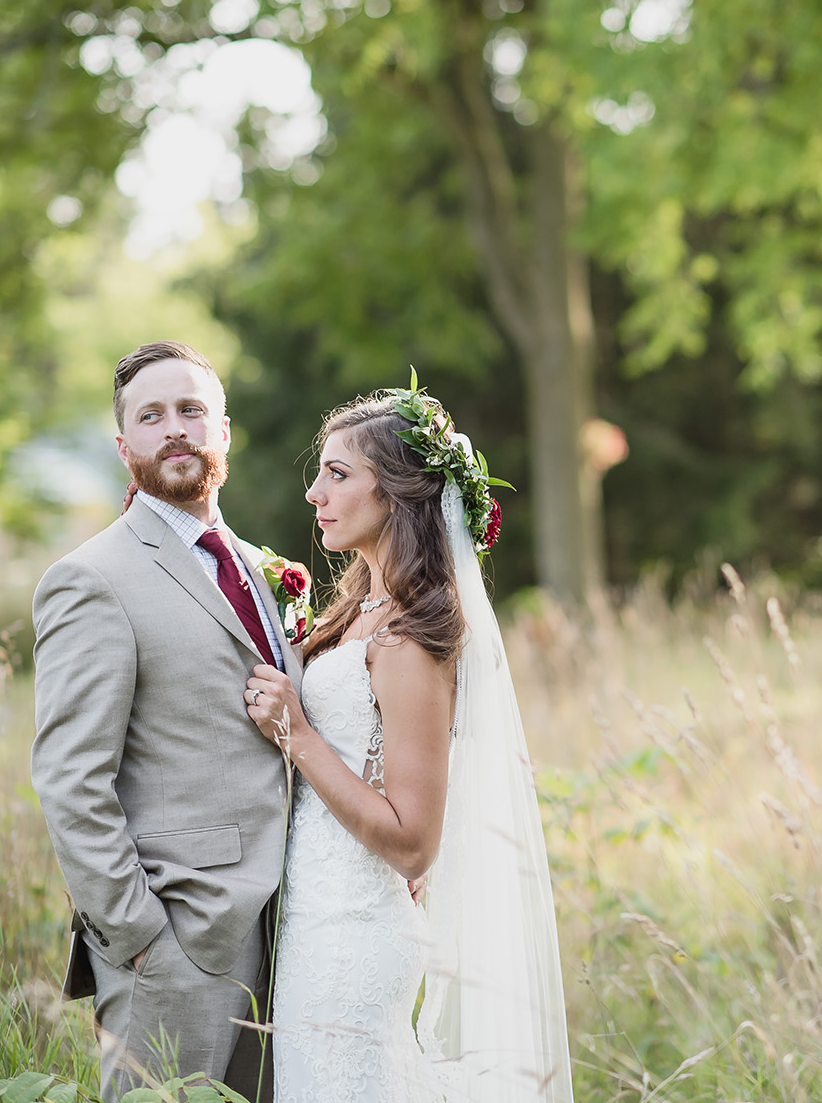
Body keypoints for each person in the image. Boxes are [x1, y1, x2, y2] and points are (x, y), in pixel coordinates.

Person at [245, 377, 573, 1102]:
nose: (314, 494)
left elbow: (412, 840)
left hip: (352, 941)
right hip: (314, 923)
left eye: (336, 474)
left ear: (394, 491)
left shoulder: (407, 639)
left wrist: (297, 734)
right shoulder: (360, 611)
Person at [31, 341, 304, 1102]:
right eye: (151, 416)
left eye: (191, 410)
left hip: (289, 934)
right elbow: (70, 778)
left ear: (224, 430)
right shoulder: (92, 579)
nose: (174, 428)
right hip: (174, 943)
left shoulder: (256, 566)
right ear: (125, 446)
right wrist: (138, 936)